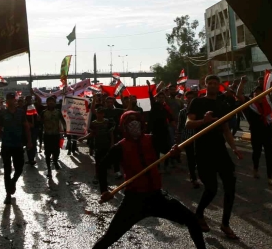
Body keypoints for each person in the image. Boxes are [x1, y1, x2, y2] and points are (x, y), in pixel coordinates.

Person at [93, 112, 205, 249]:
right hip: (134, 200)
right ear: (123, 127)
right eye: (130, 122)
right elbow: (102, 166)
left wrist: (174, 151)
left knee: (192, 220)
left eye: (136, 121)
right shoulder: (119, 147)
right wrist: (104, 190)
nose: (134, 124)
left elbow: (168, 150)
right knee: (109, 238)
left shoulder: (152, 139)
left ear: (142, 124)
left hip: (156, 196)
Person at [186, 75, 244, 240]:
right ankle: (199, 213)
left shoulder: (222, 104)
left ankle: (225, 224)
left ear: (219, 86)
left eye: (215, 83)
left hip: (220, 150)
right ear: (205, 85)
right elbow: (188, 124)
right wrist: (203, 121)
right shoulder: (197, 102)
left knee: (230, 185)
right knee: (211, 189)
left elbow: (226, 129)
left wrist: (234, 148)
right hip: (203, 150)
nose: (212, 85)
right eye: (209, 83)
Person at [0, 94, 31, 203]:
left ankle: (13, 181)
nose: (11, 101)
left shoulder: (21, 112)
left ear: (15, 100)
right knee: (7, 170)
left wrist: (29, 141)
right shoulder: (2, 114)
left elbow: (26, 127)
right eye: (9, 99)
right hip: (6, 145)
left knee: (19, 168)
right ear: (6, 101)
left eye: (13, 99)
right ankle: (8, 194)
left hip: (18, 145)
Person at [239, 88, 272, 186]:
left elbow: (269, 120)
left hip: (267, 134)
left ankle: (270, 177)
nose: (259, 96)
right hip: (256, 134)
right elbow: (239, 95)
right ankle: (255, 169)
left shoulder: (267, 105)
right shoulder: (250, 105)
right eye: (257, 94)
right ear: (254, 95)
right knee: (257, 153)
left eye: (261, 94)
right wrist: (242, 83)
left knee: (269, 155)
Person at [147, 83, 174, 172]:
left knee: (167, 149)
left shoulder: (165, 108)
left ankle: (166, 165)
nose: (161, 99)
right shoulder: (154, 106)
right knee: (156, 151)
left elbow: (171, 118)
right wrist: (149, 87)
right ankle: (157, 167)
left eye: (163, 97)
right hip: (155, 132)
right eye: (160, 97)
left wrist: (174, 125)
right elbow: (151, 96)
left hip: (164, 131)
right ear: (157, 98)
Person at [179, 89, 201, 188]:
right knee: (190, 159)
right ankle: (193, 178)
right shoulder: (182, 112)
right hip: (187, 138)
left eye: (192, 98)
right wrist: (179, 140)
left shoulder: (199, 111)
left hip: (198, 137)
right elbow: (180, 127)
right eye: (188, 98)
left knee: (199, 158)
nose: (190, 99)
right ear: (186, 99)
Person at [88, 106, 114, 192]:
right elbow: (92, 135)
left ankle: (104, 178)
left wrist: (112, 144)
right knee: (97, 162)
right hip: (97, 145)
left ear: (103, 114)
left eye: (101, 113)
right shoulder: (93, 123)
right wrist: (89, 145)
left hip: (106, 145)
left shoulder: (107, 122)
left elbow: (111, 134)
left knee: (105, 163)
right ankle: (97, 175)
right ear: (97, 114)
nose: (100, 115)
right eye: (99, 113)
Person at [41, 97, 66, 172]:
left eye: (52, 101)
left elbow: (63, 121)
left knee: (56, 151)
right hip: (47, 135)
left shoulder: (58, 112)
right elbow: (40, 122)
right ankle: (48, 168)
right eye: (49, 101)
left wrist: (65, 130)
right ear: (47, 103)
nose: (51, 103)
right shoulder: (43, 112)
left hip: (56, 135)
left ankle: (55, 161)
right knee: (47, 153)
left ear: (55, 103)